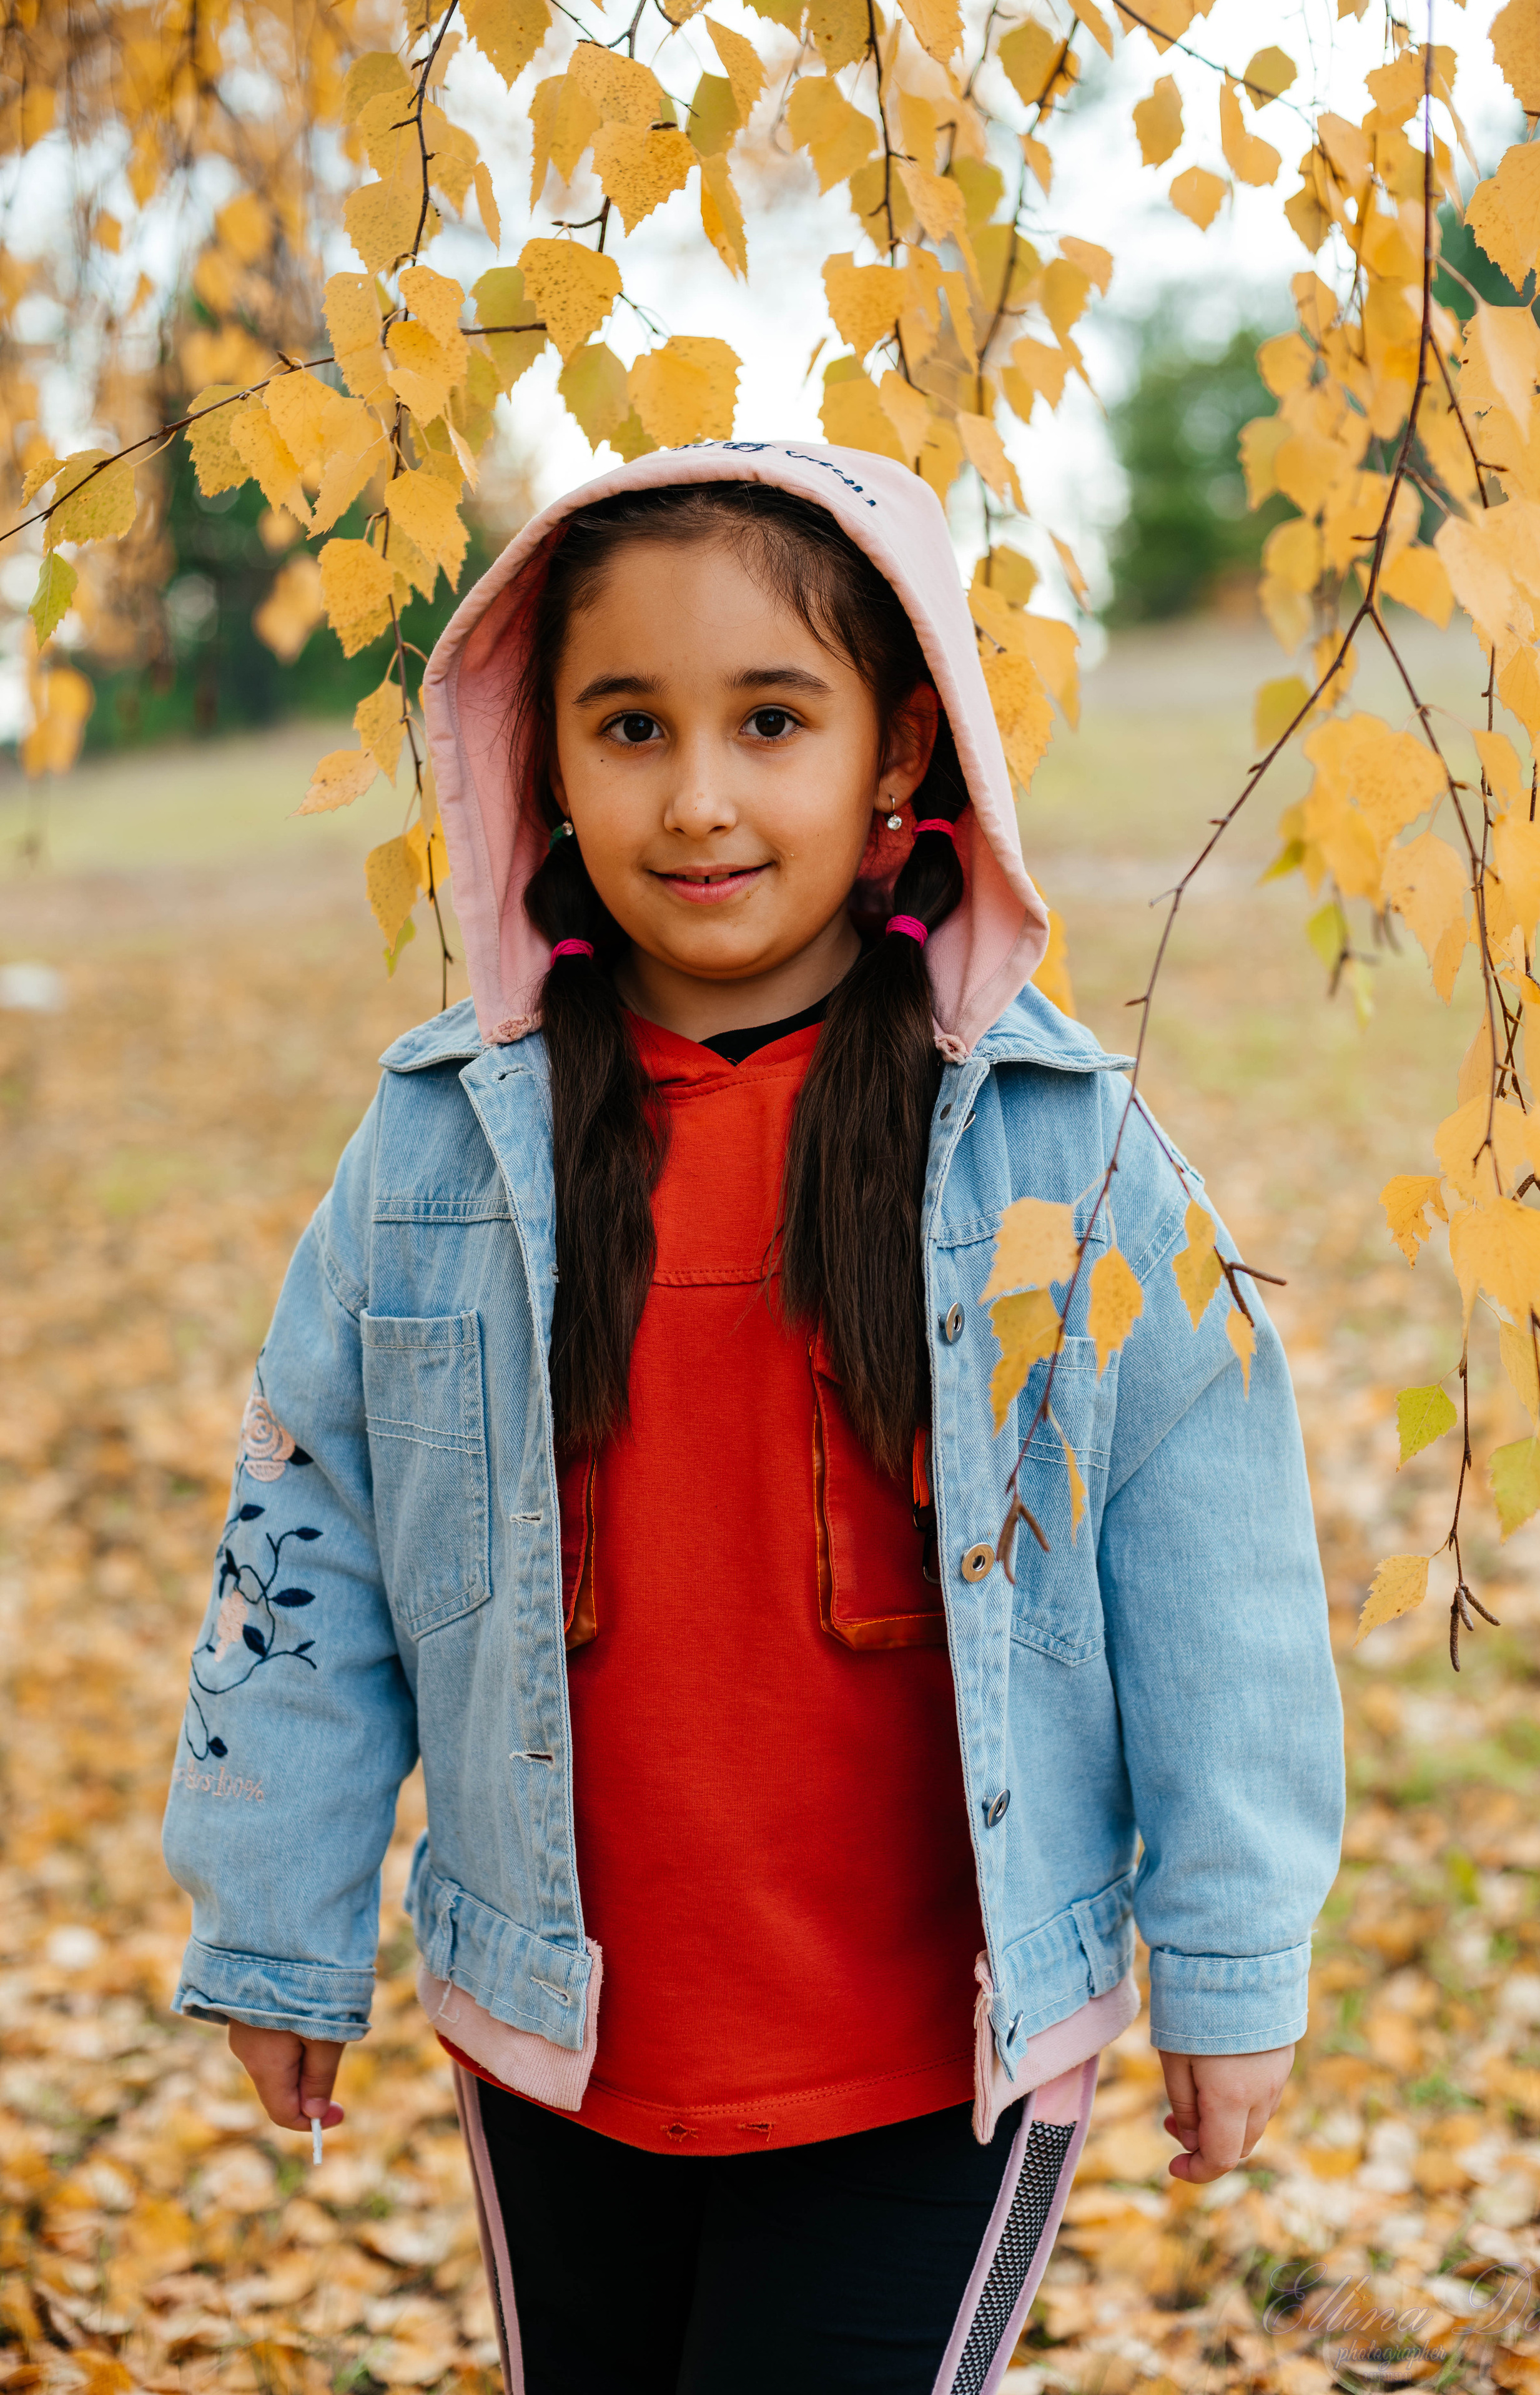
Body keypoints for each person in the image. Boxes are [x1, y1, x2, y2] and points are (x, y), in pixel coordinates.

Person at [162, 445, 1343, 2395]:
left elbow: (1212, 1562)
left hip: (926, 2071)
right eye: (631, 725)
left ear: (899, 757)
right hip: (561, 2041)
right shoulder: (448, 1145)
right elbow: (314, 1517)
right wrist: (280, 1916)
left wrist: (1230, 1957)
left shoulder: (1059, 1148)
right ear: (541, 759)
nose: (698, 797)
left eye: (771, 720)